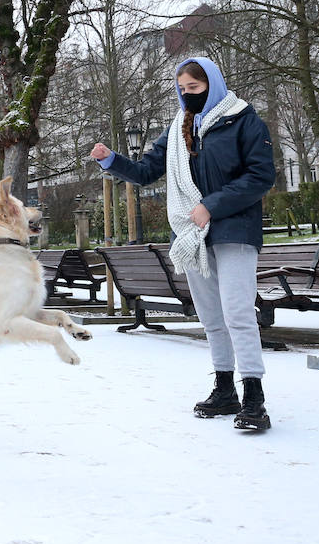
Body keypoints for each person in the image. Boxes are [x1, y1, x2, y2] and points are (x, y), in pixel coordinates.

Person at [90, 57, 276, 431]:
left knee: (238, 313)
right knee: (211, 318)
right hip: (191, 235)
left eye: (194, 88)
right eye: (182, 90)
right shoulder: (178, 128)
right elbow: (146, 171)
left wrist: (211, 205)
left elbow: (261, 176)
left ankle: (254, 396)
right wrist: (111, 160)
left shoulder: (243, 119)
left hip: (234, 230)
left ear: (213, 84)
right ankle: (225, 388)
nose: (187, 95)